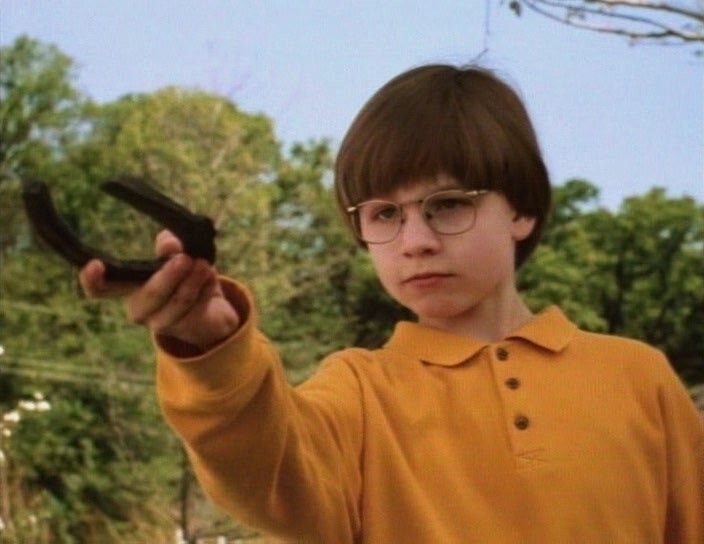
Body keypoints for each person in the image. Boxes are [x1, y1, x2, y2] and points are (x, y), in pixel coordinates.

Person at [80, 64, 704, 543]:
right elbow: (264, 474)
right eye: (383, 214)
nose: (415, 241)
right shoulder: (357, 393)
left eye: (448, 205)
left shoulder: (638, 378)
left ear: (521, 209)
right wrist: (212, 348)